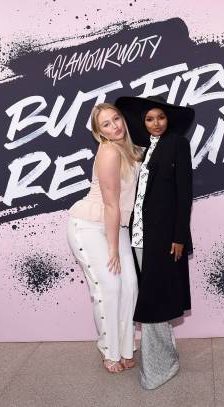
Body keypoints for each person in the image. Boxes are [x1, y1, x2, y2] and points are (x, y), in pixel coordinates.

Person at [115, 96, 194, 390]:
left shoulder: (177, 144)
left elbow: (184, 194)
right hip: (137, 236)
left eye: (160, 117)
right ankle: (166, 356)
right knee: (153, 297)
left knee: (154, 302)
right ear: (143, 123)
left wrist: (179, 236)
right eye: (150, 119)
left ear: (168, 119)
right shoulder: (142, 150)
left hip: (163, 238)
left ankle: (159, 369)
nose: (156, 123)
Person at [66, 103, 142, 373]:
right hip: (90, 226)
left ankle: (125, 348)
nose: (115, 126)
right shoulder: (109, 152)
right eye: (106, 124)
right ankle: (109, 351)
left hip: (115, 226)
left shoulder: (132, 152)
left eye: (116, 119)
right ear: (100, 133)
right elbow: (111, 204)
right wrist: (112, 249)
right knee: (109, 287)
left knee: (130, 286)